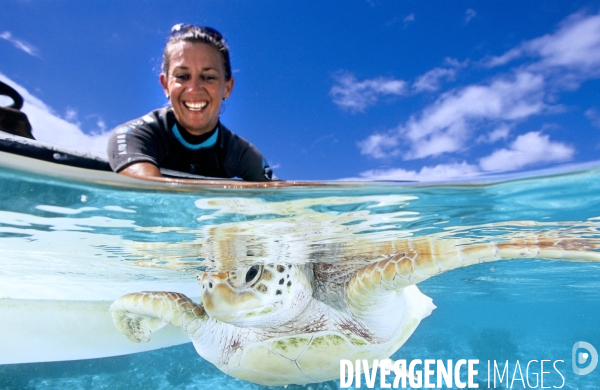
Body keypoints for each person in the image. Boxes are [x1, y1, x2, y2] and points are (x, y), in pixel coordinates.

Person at [107, 24, 276, 183]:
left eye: (208, 77)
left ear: (227, 88)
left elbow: (282, 201)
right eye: (182, 76)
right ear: (165, 84)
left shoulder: (239, 153)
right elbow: (153, 196)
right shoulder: (135, 135)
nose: (194, 90)